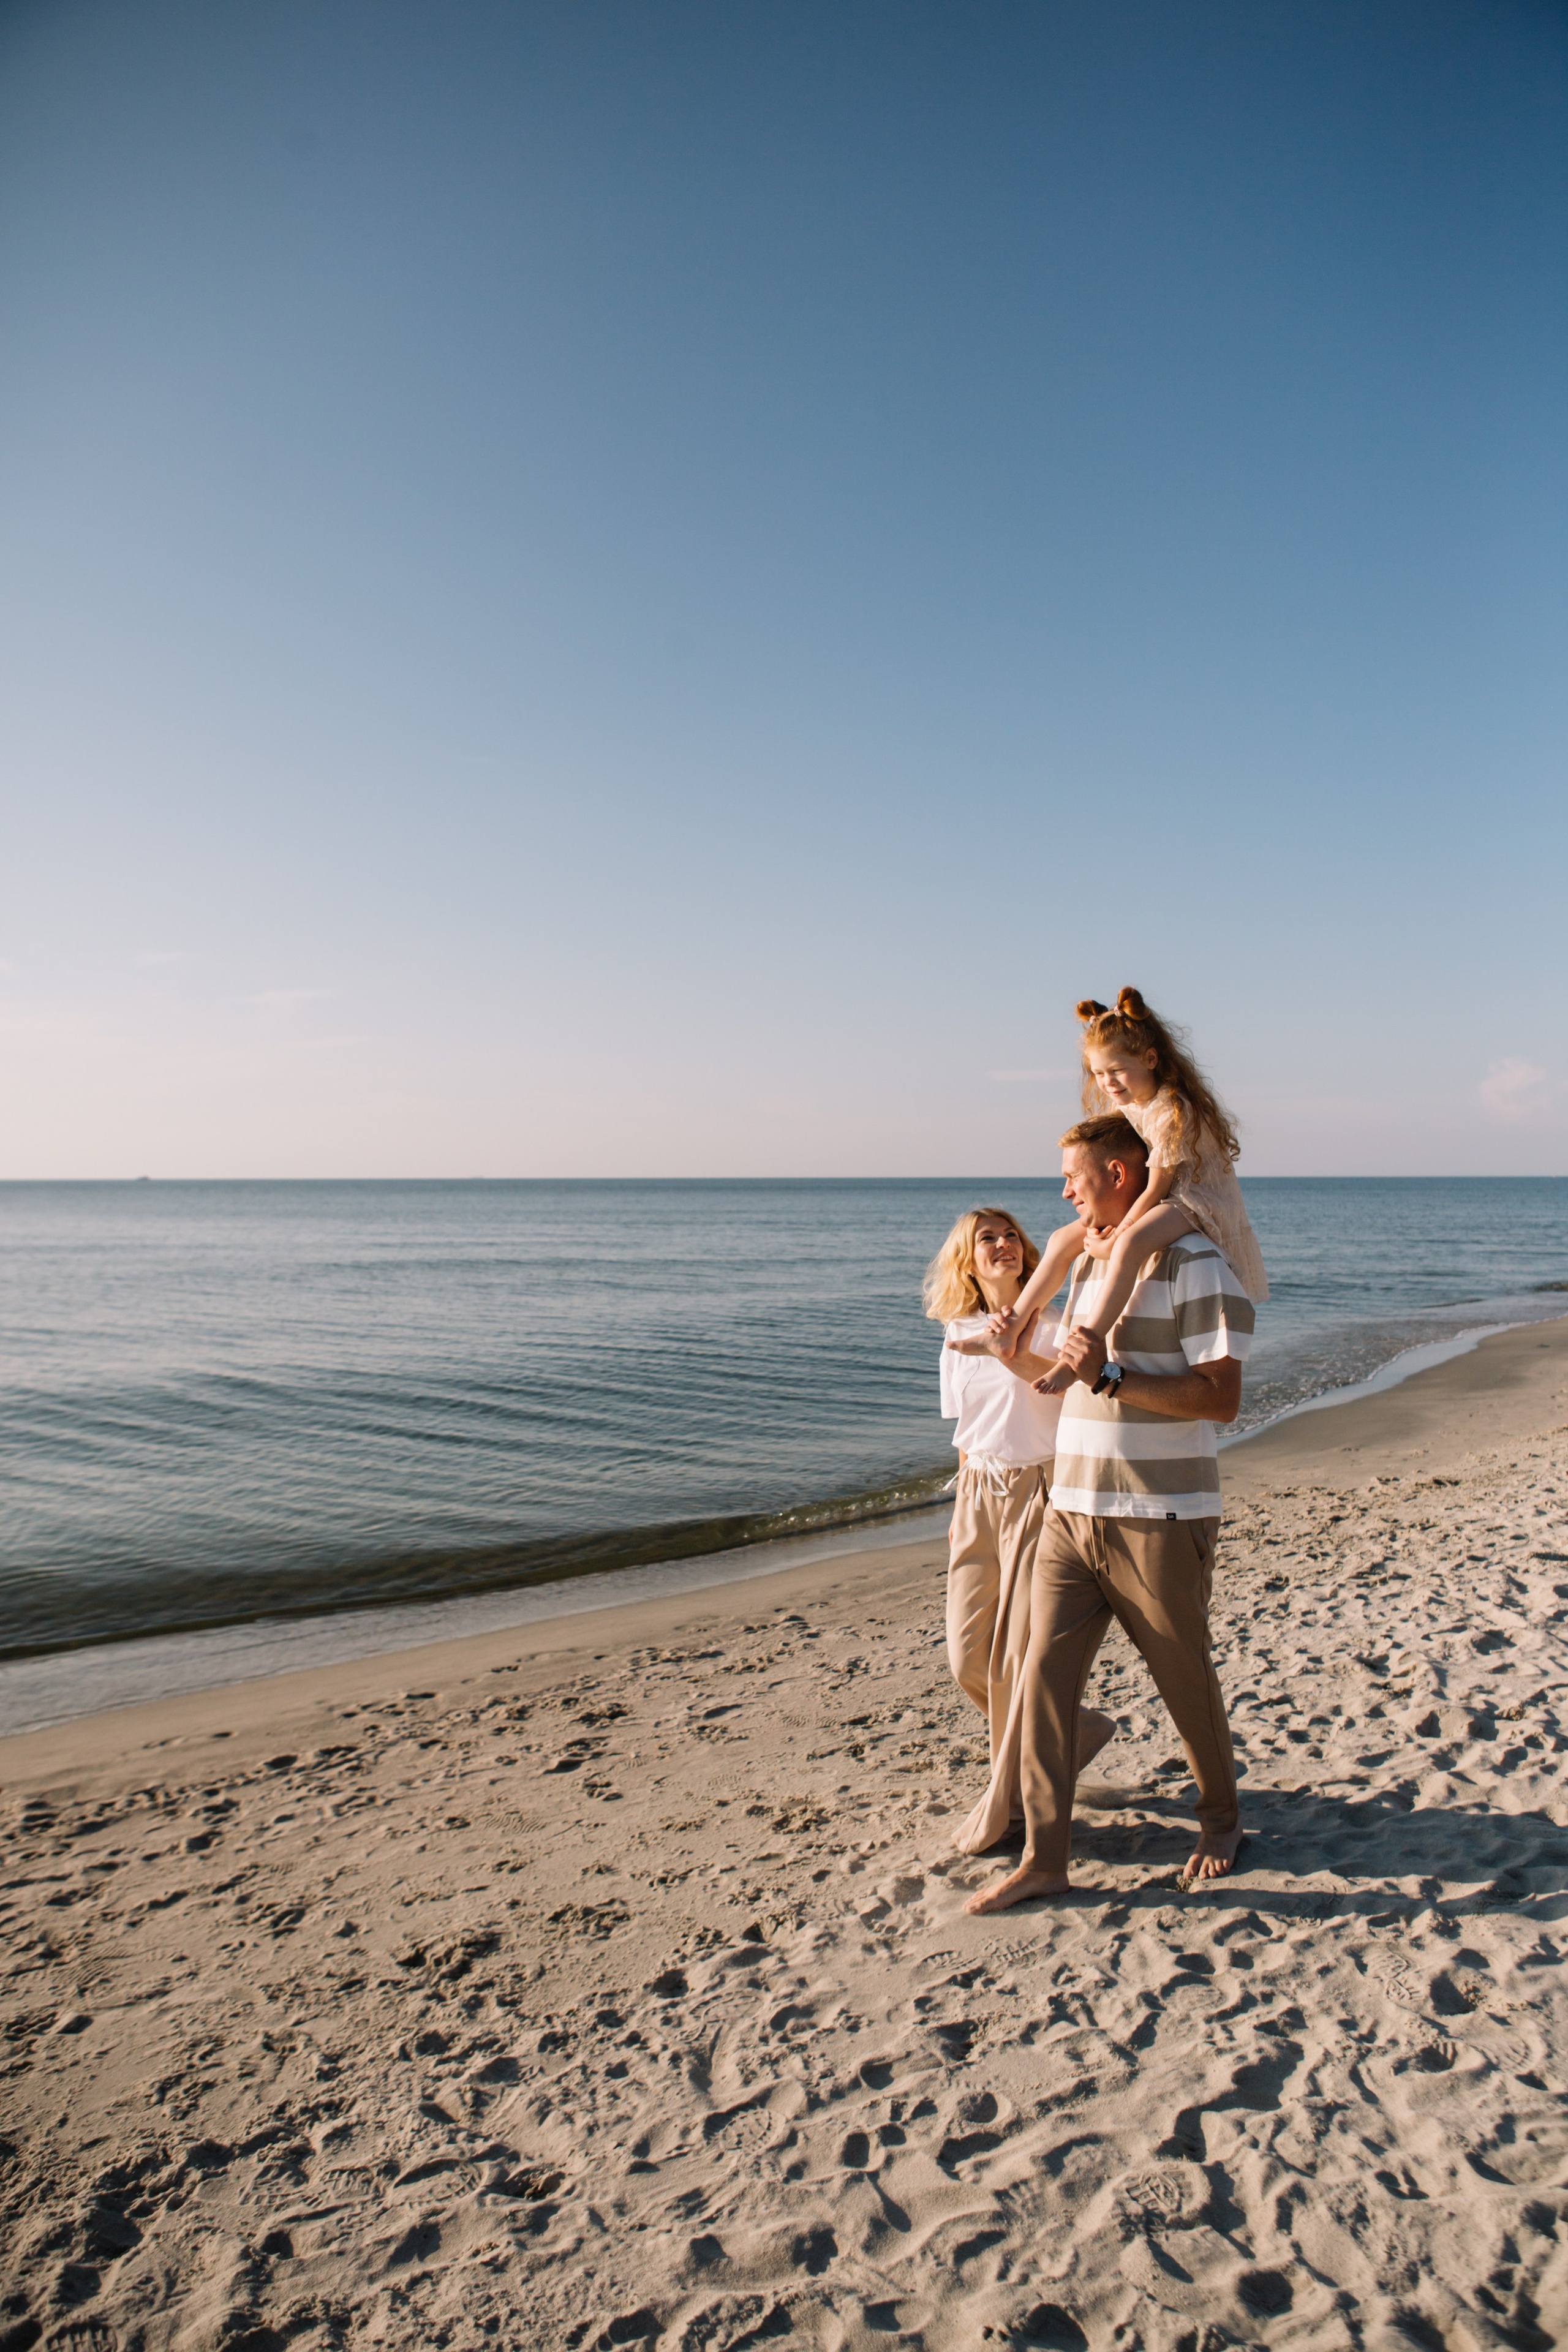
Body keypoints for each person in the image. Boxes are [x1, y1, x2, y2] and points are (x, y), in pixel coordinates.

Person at [963, 1116, 1254, 1913]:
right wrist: (1009, 1354)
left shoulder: (1195, 1262)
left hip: (1160, 1514)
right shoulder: (1093, 1268)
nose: (1062, 1192)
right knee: (1042, 1684)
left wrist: (1118, 1376)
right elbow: (1067, 1375)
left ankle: (1221, 1820)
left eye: (1074, 1176)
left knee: (1183, 1679)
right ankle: (1045, 1859)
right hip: (1072, 1508)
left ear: (1121, 1174)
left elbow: (1222, 1399)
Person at [924, 1206, 1115, 1855]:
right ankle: (1074, 1732)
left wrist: (1006, 1350)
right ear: (967, 1260)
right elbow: (964, 1436)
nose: (1003, 1245)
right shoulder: (957, 1333)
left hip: (1041, 1490)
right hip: (978, 1495)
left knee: (1012, 1662)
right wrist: (959, 1520)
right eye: (987, 1239)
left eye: (1010, 1236)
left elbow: (1058, 1393)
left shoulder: (1060, 1324)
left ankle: (1003, 1804)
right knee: (966, 1657)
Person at [980, 988, 1267, 1393]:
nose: (1107, 1082)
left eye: (1116, 1070)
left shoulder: (1171, 1108)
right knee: (1062, 1239)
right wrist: (1098, 1233)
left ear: (1150, 1059)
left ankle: (1080, 1352)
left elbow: (1156, 1188)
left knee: (1131, 1247)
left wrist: (1115, 1239)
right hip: (1161, 1199)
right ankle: (1009, 1329)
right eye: (1098, 1073)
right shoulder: (1126, 1107)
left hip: (1194, 1200)